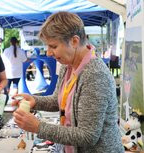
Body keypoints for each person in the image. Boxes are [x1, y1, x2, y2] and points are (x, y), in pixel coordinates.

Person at [13, 11, 124, 153]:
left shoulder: (95, 75)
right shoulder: (68, 65)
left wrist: (38, 127)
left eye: (53, 46)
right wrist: (34, 100)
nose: (48, 53)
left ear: (74, 41)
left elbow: (88, 136)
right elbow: (58, 101)